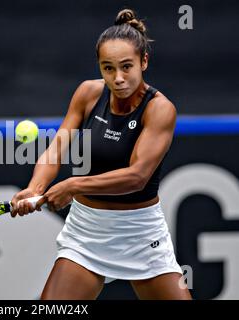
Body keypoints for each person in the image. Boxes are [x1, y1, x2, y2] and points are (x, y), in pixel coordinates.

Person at [11, 8, 192, 300]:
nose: (118, 78)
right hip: (87, 233)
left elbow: (137, 177)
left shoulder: (160, 109)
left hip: (141, 234)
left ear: (144, 62)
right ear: (99, 67)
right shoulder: (87, 94)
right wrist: (35, 187)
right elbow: (57, 147)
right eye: (108, 68)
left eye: (126, 67)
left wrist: (73, 185)